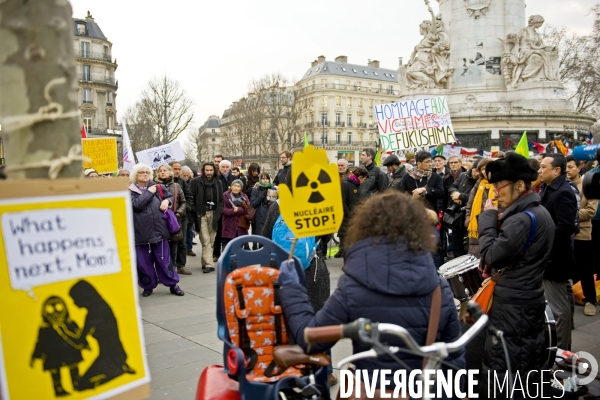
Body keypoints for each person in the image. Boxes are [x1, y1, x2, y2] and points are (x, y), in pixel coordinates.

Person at [278, 191, 464, 395]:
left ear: (365, 228)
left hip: (368, 390)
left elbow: (310, 339)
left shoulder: (353, 286)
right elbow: (453, 359)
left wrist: (292, 288)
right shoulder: (439, 289)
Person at [476, 152, 555, 397]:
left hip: (513, 305)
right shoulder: (537, 212)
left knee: (506, 362)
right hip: (527, 298)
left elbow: (490, 254)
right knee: (526, 360)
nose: (496, 192)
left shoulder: (522, 219)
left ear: (520, 185)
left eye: (500, 186)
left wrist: (488, 218)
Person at [539, 153, 578, 350]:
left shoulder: (563, 192)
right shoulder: (547, 188)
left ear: (557, 170)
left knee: (559, 309)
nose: (540, 170)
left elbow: (565, 227)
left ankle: (561, 353)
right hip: (552, 257)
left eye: (544, 167)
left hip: (555, 259)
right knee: (563, 299)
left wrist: (545, 248)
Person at [129, 163, 184, 297]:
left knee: (164, 260)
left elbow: (169, 196)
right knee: (144, 263)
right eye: (142, 172)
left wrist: (167, 202)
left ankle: (172, 284)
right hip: (140, 234)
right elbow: (136, 205)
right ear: (135, 175)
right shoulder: (129, 190)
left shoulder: (158, 186)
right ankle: (148, 286)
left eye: (147, 172)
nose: (145, 174)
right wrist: (149, 192)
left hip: (160, 232)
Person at [69, 280, 135, 390]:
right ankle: (119, 368)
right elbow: (84, 334)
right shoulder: (98, 308)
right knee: (83, 384)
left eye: (75, 299)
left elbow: (83, 335)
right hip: (112, 353)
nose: (74, 302)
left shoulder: (96, 312)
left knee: (82, 385)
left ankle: (118, 370)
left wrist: (69, 335)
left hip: (109, 355)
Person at [566, 156, 597, 316]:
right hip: (566, 234)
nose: (568, 170)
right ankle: (575, 296)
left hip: (582, 234)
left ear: (579, 167)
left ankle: (590, 300)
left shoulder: (588, 185)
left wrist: (568, 214)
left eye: (571, 166)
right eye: (566, 167)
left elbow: (591, 211)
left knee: (586, 270)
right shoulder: (562, 186)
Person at [155, 164, 190, 275]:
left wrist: (179, 213)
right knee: (160, 248)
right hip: (159, 221)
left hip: (174, 220)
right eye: (160, 171)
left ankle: (171, 271)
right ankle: (162, 271)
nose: (162, 172)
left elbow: (184, 201)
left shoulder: (176, 186)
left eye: (165, 170)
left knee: (174, 246)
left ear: (170, 172)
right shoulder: (153, 186)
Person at [189, 162, 223, 273]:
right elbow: (190, 198)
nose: (209, 172)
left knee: (211, 240)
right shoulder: (195, 182)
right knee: (205, 239)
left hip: (213, 214)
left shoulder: (218, 182)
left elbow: (221, 200)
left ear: (214, 171)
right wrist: (194, 210)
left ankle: (204, 262)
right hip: (201, 214)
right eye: (207, 170)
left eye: (211, 170)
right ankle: (210, 264)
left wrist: (219, 211)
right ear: (203, 171)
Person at [447, 159, 480, 257]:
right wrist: (453, 194)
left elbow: (476, 197)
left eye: (479, 171)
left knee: (469, 247)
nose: (477, 173)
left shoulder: (482, 181)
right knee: (457, 246)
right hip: (458, 216)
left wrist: (460, 196)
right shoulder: (463, 176)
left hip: (472, 217)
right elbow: (452, 187)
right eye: (475, 170)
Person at [464, 158, 495, 258]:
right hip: (475, 227)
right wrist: (469, 220)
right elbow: (470, 205)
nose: (484, 171)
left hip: (493, 225)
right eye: (482, 169)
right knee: (475, 260)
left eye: (487, 168)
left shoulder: (498, 184)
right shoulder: (479, 184)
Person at [168, 161, 194, 272]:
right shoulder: (163, 183)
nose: (177, 171)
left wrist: (183, 210)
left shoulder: (182, 182)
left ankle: (181, 265)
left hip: (181, 217)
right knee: (169, 244)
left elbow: (189, 198)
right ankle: (169, 267)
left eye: (179, 169)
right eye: (175, 169)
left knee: (181, 242)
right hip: (167, 217)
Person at [338, 167, 369, 258]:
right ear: (360, 177)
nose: (364, 181)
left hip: (354, 218)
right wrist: (349, 214)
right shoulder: (345, 184)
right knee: (346, 242)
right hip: (346, 218)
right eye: (364, 179)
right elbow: (342, 202)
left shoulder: (357, 185)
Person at [214, 160, 236, 261]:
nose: (225, 169)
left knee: (230, 232)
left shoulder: (234, 179)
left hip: (231, 209)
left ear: (230, 168)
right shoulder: (216, 179)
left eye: (227, 167)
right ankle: (216, 253)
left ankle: (230, 252)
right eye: (223, 167)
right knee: (218, 232)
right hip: (219, 207)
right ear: (219, 167)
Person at [221, 179, 249, 250]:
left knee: (238, 247)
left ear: (241, 188)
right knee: (227, 247)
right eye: (234, 186)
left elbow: (248, 209)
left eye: (238, 186)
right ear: (231, 186)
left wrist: (238, 210)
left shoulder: (244, 196)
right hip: (228, 225)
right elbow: (223, 210)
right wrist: (234, 211)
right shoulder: (225, 196)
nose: (236, 188)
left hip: (240, 226)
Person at [250, 172, 274, 238]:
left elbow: (275, 204)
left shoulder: (273, 189)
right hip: (259, 216)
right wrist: (262, 195)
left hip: (270, 216)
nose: (265, 180)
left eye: (267, 178)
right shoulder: (255, 189)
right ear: (260, 179)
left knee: (270, 237)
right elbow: (253, 204)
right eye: (263, 178)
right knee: (262, 238)